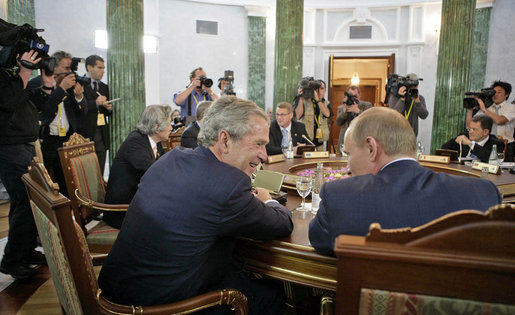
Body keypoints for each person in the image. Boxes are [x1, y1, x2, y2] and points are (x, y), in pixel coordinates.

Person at [98, 96, 293, 313]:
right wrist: (268, 200)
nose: (264, 156)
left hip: (116, 293)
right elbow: (282, 223)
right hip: (162, 307)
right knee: (272, 293)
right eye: (259, 144)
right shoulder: (229, 185)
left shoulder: (170, 158)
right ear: (225, 140)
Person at [309, 107, 501, 256]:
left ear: (371, 148)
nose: (348, 167)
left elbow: (319, 243)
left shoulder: (340, 197)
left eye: (349, 154)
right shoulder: (483, 195)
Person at [0, 44, 52, 279]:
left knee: (29, 203)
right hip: (10, 147)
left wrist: (47, 83)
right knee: (24, 202)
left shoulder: (12, 78)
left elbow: (35, 104)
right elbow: (9, 102)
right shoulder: (7, 78)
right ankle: (13, 260)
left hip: (23, 146)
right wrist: (24, 71)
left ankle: (25, 251)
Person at [103, 105, 171, 229]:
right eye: (169, 124)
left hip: (139, 204)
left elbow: (166, 168)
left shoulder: (155, 142)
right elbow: (155, 173)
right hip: (123, 211)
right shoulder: (135, 142)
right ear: (156, 127)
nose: (171, 128)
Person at [35, 51, 88, 196]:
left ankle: (67, 213)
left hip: (66, 140)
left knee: (67, 181)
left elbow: (82, 112)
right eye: (65, 68)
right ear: (54, 67)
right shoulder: (39, 84)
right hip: (46, 140)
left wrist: (79, 97)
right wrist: (60, 89)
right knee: (44, 182)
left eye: (70, 68)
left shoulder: (70, 86)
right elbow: (45, 110)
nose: (69, 72)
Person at [467, 81, 515, 161]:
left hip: (507, 146)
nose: (496, 94)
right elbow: (469, 126)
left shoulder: (511, 108)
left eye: (499, 92)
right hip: (489, 144)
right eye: (494, 92)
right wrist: (470, 110)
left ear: (507, 94)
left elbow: (499, 120)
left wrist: (484, 110)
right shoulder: (488, 108)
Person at [79, 55, 111, 175]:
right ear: (89, 67)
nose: (103, 71)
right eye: (99, 67)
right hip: (85, 134)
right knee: (85, 173)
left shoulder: (104, 87)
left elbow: (107, 111)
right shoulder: (79, 83)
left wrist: (108, 107)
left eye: (103, 68)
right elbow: (78, 107)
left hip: (101, 135)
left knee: (99, 172)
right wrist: (96, 103)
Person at [293, 78, 333, 148]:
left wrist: (317, 99)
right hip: (305, 143)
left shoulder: (326, 103)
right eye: (317, 89)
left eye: (322, 88)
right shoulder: (303, 101)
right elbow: (298, 116)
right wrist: (301, 98)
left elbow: (327, 114)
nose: (319, 91)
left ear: (325, 90)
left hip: (319, 144)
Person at [336, 85, 373, 150]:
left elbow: (369, 121)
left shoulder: (366, 105)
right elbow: (338, 123)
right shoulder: (342, 107)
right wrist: (344, 111)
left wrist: (357, 111)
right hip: (345, 138)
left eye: (355, 96)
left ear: (359, 96)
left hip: (360, 139)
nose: (352, 98)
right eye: (350, 96)